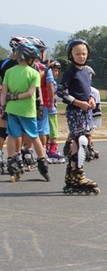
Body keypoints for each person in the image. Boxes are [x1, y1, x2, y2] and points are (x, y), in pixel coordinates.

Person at [0, 42, 50, 182]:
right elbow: (31, 93)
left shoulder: (9, 72)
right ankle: (42, 162)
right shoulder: (34, 73)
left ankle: (11, 161)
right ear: (28, 58)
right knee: (34, 136)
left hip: (12, 109)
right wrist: (19, 97)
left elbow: (4, 92)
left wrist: (4, 107)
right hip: (28, 111)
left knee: (11, 136)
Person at [58, 39, 99, 194]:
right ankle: (78, 174)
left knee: (82, 140)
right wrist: (77, 102)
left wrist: (92, 99)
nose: (81, 56)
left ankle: (70, 174)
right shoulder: (70, 73)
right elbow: (61, 92)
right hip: (75, 111)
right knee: (78, 141)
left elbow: (89, 90)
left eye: (84, 53)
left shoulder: (87, 72)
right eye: (77, 54)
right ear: (71, 55)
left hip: (86, 111)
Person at [45, 61, 66, 163]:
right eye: (54, 70)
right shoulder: (50, 82)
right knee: (53, 130)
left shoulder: (53, 82)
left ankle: (48, 149)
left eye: (57, 71)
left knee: (47, 131)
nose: (56, 73)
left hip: (48, 109)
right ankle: (52, 151)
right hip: (50, 110)